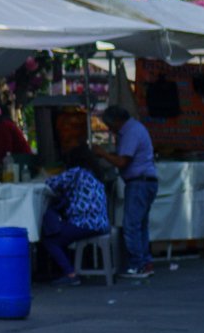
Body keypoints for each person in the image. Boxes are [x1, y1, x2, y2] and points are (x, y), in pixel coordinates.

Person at [41, 147, 111, 284]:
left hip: (84, 223)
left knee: (50, 239)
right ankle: (67, 268)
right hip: (101, 223)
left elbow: (51, 183)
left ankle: (71, 274)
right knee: (61, 234)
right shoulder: (95, 176)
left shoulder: (76, 173)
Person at [104, 105, 156, 278]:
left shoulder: (131, 132)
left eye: (110, 126)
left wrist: (102, 154)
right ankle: (145, 262)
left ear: (117, 121)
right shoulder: (133, 129)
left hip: (139, 183)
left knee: (132, 225)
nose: (110, 130)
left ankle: (137, 264)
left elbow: (122, 162)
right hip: (144, 181)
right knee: (140, 225)